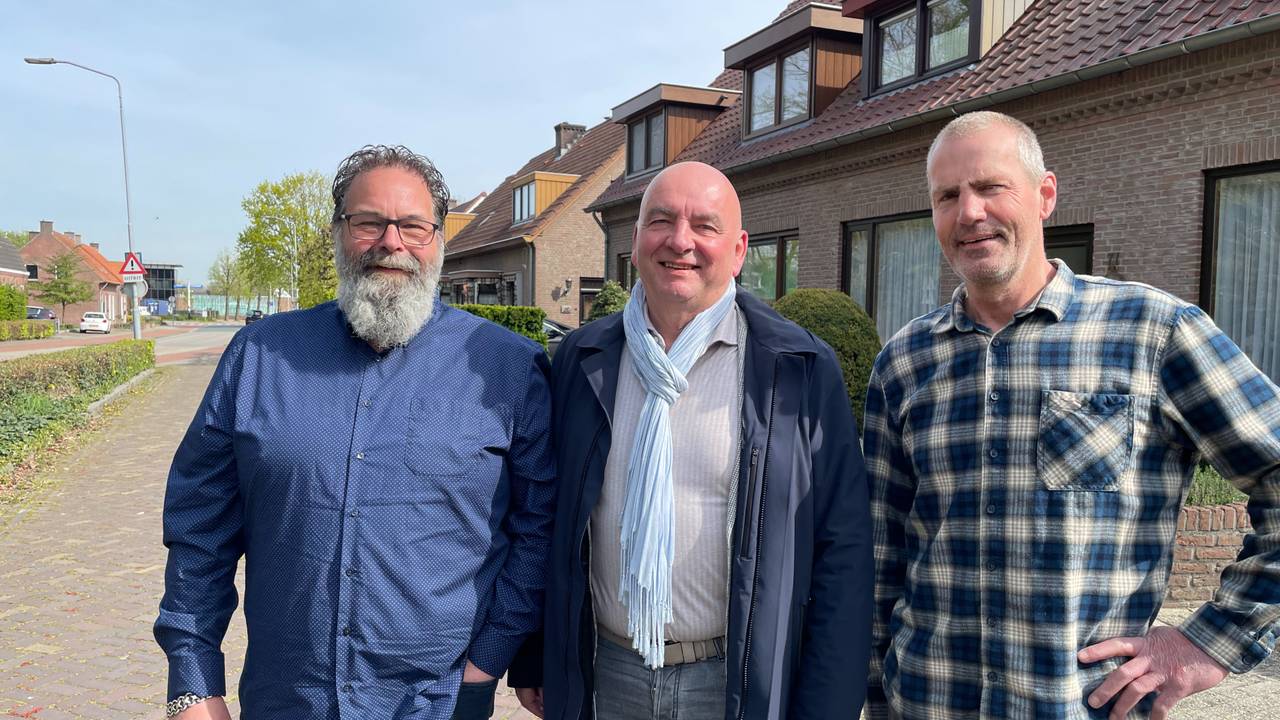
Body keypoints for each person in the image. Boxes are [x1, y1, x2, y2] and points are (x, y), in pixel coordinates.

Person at [862, 110, 1280, 719]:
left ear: (1045, 195)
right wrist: (875, 694)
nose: (969, 212)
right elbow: (882, 556)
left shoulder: (1152, 333)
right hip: (925, 701)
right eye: (947, 196)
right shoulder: (904, 362)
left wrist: (1212, 640)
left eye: (991, 187)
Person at [154, 145, 556, 720]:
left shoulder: (508, 367)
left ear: (439, 238)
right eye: (368, 222)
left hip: (440, 701)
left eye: (413, 225)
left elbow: (540, 525)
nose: (391, 242)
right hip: (286, 699)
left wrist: (490, 656)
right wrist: (192, 685)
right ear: (337, 233)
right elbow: (201, 527)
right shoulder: (260, 357)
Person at [508, 161, 873, 720]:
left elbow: (841, 548)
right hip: (604, 672)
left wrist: (827, 704)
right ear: (635, 241)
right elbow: (548, 517)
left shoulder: (798, 369)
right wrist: (536, 654)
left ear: (739, 250)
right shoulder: (580, 361)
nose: (680, 241)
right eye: (661, 221)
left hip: (736, 683)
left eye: (705, 225)